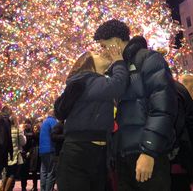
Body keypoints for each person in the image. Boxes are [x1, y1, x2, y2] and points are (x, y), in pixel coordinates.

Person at [94, 19, 178, 191]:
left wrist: (149, 151)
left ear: (116, 41)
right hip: (124, 156)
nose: (102, 52)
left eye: (104, 46)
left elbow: (162, 108)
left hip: (146, 155)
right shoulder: (117, 70)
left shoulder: (148, 59)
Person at [54, 48, 129, 191]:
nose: (101, 54)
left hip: (96, 151)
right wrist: (119, 61)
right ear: (89, 63)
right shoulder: (87, 80)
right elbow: (118, 85)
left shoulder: (95, 82)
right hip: (80, 151)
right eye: (96, 54)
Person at [3, 115, 26, 191]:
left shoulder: (6, 129)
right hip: (15, 154)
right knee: (12, 174)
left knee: (6, 173)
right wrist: (24, 137)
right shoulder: (18, 130)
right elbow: (23, 142)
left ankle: (3, 188)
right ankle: (6, 189)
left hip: (7, 153)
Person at [39, 110, 57, 191]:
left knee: (43, 172)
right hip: (50, 149)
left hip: (42, 150)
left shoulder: (44, 122)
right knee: (51, 173)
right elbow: (55, 134)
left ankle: (43, 189)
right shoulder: (53, 121)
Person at [21, 119, 34, 191]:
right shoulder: (22, 131)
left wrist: (29, 151)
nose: (27, 124)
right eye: (26, 123)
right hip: (23, 153)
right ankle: (23, 187)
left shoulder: (32, 131)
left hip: (30, 153)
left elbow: (33, 143)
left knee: (28, 171)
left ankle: (32, 186)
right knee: (23, 171)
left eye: (28, 123)